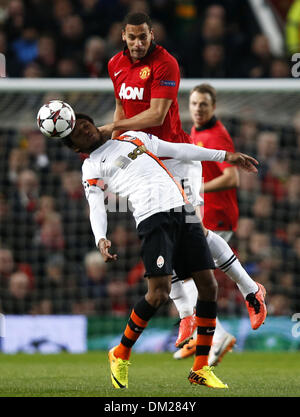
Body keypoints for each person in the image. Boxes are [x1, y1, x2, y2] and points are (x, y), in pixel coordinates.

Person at [99, 12, 267, 362]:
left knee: (195, 230)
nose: (138, 43)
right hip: (143, 162)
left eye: (143, 36)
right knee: (161, 237)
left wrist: (112, 130)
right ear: (124, 37)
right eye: (132, 37)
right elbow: (120, 106)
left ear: (151, 34)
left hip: (175, 157)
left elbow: (157, 116)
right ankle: (187, 316)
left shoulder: (166, 64)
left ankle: (251, 291)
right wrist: (115, 145)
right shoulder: (115, 64)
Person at [60, 113, 258, 389]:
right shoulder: (92, 166)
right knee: (158, 294)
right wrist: (100, 237)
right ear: (76, 148)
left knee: (209, 287)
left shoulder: (134, 137)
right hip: (153, 220)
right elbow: (96, 204)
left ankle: (200, 369)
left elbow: (180, 150)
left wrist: (226, 156)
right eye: (79, 134)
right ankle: (121, 353)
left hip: (184, 212)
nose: (86, 131)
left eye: (86, 125)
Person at [173, 83, 259, 362]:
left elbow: (232, 178)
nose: (198, 109)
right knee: (185, 272)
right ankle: (204, 335)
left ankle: (217, 336)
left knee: (187, 273)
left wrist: (198, 190)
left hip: (218, 213)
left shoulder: (216, 134)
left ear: (213, 107)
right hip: (204, 213)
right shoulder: (196, 132)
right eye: (195, 104)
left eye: (204, 105)